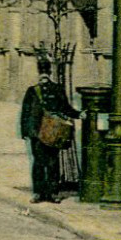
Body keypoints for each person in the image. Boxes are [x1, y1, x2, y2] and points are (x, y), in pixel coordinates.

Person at [19, 58, 80, 203]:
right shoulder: (32, 91)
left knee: (53, 162)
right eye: (42, 72)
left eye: (46, 71)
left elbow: (66, 108)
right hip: (36, 132)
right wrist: (25, 132)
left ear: (50, 72)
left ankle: (53, 193)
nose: (44, 74)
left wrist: (78, 114)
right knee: (39, 162)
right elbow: (25, 112)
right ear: (39, 73)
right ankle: (38, 193)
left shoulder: (57, 89)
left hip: (53, 132)